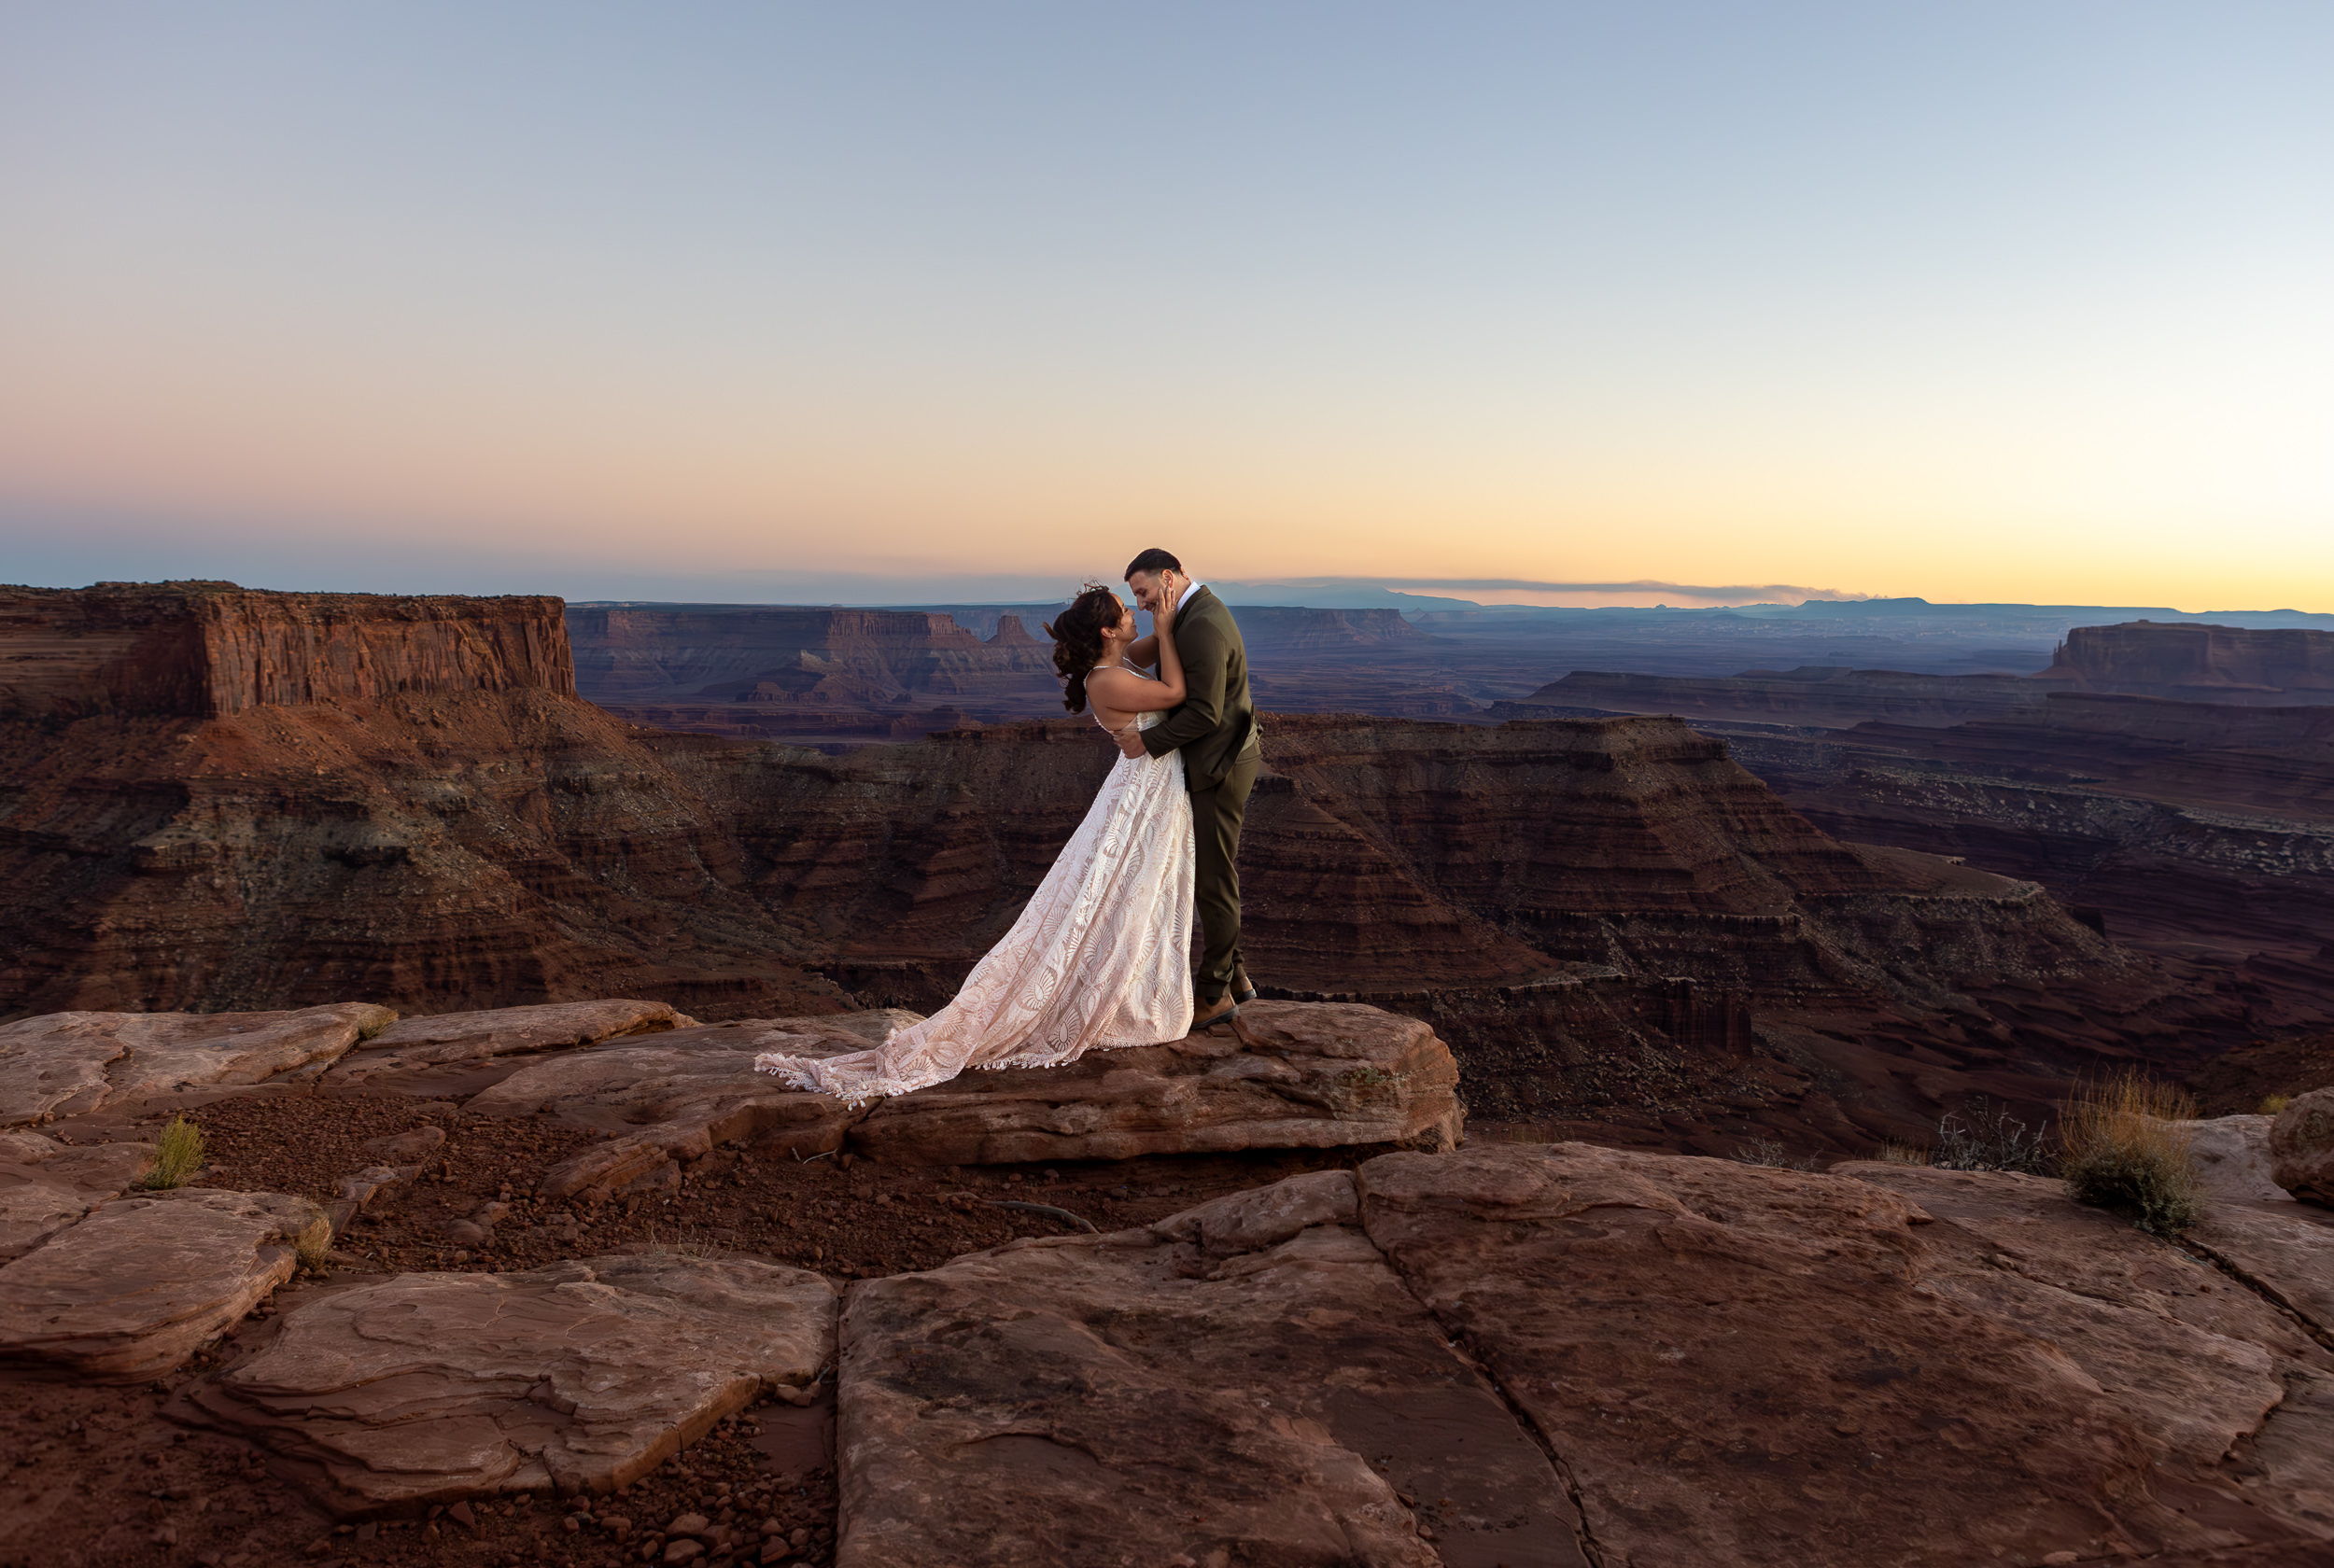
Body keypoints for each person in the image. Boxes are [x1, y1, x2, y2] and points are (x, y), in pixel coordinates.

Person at [753, 582, 1199, 1105]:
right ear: (1107, 630)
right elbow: (1175, 694)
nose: (1135, 615)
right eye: (1127, 611)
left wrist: (1171, 621)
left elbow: (1155, 652)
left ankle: (1121, 990)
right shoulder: (1106, 682)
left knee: (1133, 896)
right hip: (1139, 798)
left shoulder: (1117, 662)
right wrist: (1166, 626)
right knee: (1109, 898)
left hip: (1151, 792)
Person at [1118, 548, 1261, 1030]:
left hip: (1220, 765)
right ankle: (1238, 976)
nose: (1138, 603)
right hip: (1214, 758)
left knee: (1213, 881)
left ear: (1168, 578)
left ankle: (1216, 993)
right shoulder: (1185, 613)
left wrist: (1147, 742)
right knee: (1208, 872)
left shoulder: (1200, 624)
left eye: (1142, 592)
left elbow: (1205, 714)